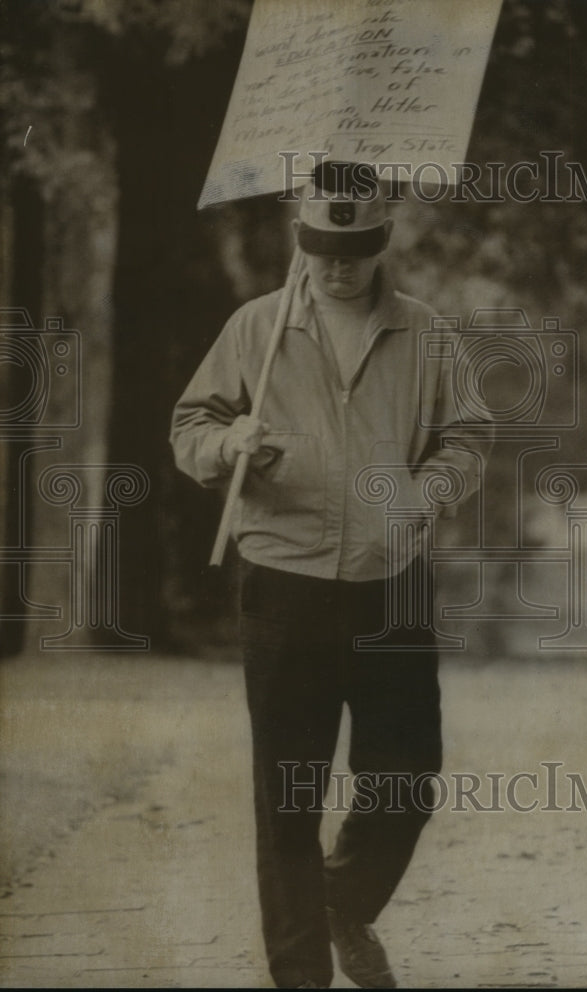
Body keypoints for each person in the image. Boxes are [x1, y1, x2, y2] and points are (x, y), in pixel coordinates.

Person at [170, 162, 489, 989]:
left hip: (391, 580)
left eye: (352, 248)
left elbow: (468, 437)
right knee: (287, 792)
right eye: (319, 247)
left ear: (382, 241)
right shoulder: (256, 328)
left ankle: (339, 901)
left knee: (405, 779)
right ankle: (301, 974)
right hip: (283, 580)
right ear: (299, 240)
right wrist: (225, 447)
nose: (334, 265)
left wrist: (428, 492)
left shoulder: (426, 334)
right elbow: (191, 421)